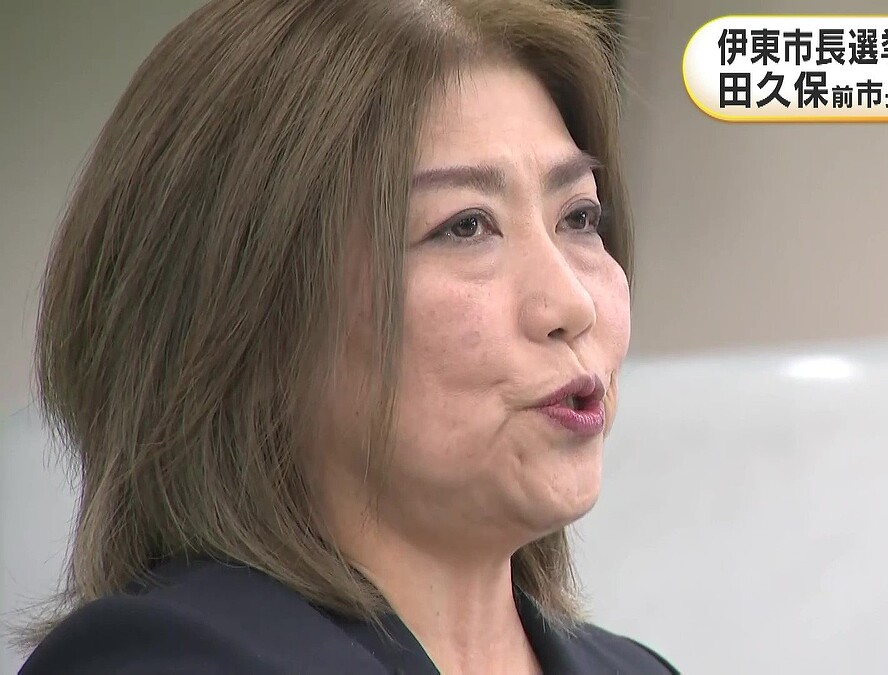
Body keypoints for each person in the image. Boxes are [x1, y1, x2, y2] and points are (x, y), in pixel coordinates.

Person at [14, 0, 677, 672]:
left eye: (579, 217)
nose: (572, 303)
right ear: (251, 314)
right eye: (465, 226)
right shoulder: (164, 660)